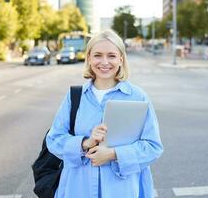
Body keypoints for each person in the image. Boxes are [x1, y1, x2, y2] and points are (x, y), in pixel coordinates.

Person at [46, 29, 163, 198]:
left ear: (121, 59)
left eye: (112, 56)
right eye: (98, 55)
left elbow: (153, 147)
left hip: (123, 190)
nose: (105, 62)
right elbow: (54, 139)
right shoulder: (74, 96)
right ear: (89, 58)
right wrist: (85, 143)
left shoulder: (138, 97)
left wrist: (113, 154)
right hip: (78, 189)